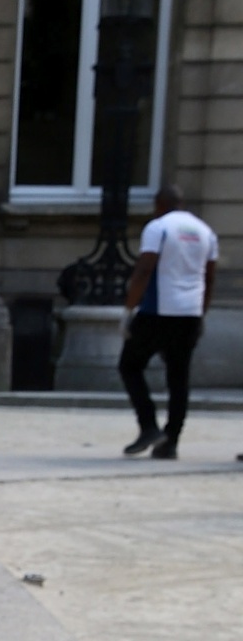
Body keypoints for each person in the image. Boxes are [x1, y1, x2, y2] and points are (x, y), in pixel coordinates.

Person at [119, 184, 218, 459]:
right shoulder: (205, 231)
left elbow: (144, 269)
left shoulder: (158, 227)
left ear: (158, 204)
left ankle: (148, 425)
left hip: (157, 310)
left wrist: (128, 310)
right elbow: (209, 277)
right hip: (189, 311)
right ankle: (170, 441)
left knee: (129, 366)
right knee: (178, 377)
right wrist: (201, 312)